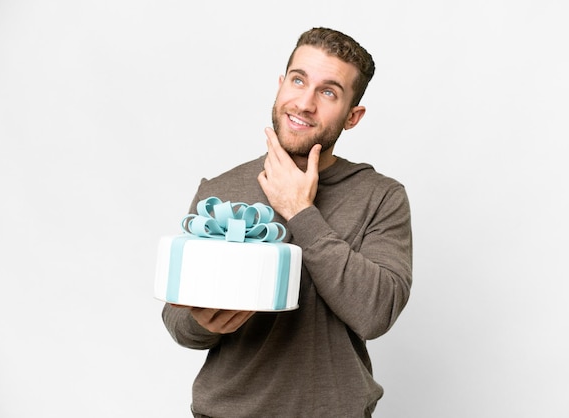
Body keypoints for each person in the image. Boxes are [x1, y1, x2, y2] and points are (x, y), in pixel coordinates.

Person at [162, 27, 413, 418]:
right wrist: (205, 323)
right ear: (281, 86)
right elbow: (177, 319)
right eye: (298, 81)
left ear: (353, 116)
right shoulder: (220, 189)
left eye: (328, 92)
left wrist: (300, 210)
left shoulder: (381, 197)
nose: (305, 103)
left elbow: (376, 312)